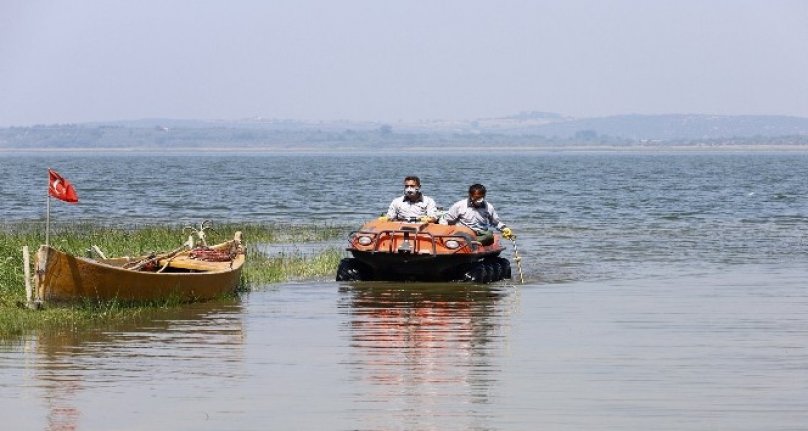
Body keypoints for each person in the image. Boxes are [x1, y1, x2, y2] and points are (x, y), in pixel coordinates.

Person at [444, 183, 514, 245]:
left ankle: (471, 243)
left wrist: (504, 229)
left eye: (481, 197)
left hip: (480, 233)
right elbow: (448, 220)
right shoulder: (459, 206)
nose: (479, 200)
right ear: (470, 195)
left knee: (489, 235)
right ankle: (465, 242)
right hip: (463, 232)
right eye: (476, 197)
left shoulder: (488, 207)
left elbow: (495, 222)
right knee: (464, 235)